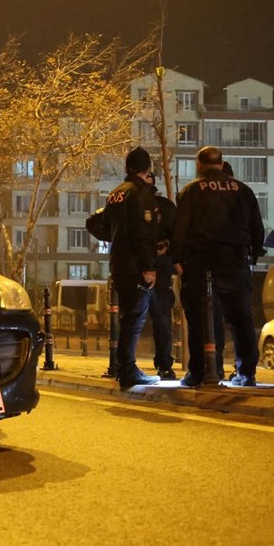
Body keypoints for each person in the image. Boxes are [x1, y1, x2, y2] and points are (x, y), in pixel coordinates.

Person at [171, 146, 265, 387]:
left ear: (199, 165)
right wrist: (254, 254)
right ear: (222, 164)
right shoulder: (243, 190)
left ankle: (203, 371)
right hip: (236, 263)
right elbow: (257, 227)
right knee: (241, 319)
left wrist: (177, 259)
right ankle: (246, 372)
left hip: (202, 263)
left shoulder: (191, 191)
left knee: (201, 318)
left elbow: (180, 228)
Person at [105, 146, 161, 389]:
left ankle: (124, 368)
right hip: (135, 265)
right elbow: (144, 233)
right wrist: (149, 266)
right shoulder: (140, 193)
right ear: (147, 167)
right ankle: (127, 370)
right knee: (134, 317)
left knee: (128, 316)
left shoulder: (116, 193)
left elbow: (104, 226)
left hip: (118, 261)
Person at [146, 171, 178, 380]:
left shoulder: (165, 208)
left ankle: (164, 363)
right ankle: (123, 364)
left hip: (160, 269)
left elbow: (177, 234)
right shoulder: (129, 203)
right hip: (139, 267)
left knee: (162, 321)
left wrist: (165, 247)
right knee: (132, 320)